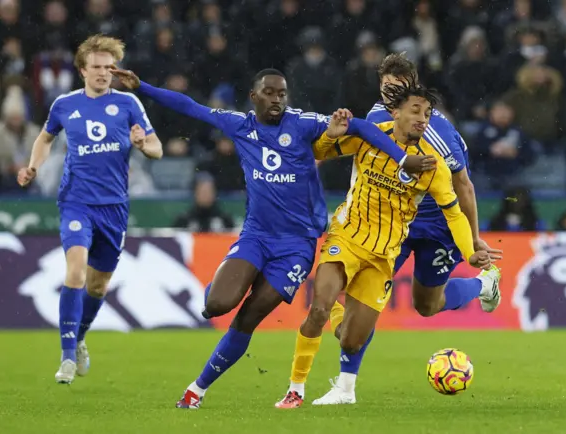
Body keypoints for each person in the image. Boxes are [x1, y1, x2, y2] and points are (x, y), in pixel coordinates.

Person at [109, 65, 432, 409]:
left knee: (250, 316)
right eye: (269, 93)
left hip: (296, 246)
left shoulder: (303, 123)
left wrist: (401, 158)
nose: (277, 99)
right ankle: (223, 290)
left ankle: (196, 390)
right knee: (215, 305)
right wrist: (142, 86)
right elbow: (191, 106)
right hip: (256, 236)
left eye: (282, 93)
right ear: (254, 97)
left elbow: (364, 127)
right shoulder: (240, 125)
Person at [275, 75, 496, 409]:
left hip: (388, 250)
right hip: (347, 238)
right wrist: (329, 136)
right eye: (416, 111)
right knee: (319, 306)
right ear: (395, 112)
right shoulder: (370, 135)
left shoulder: (432, 163)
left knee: (356, 336)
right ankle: (299, 390)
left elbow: (454, 211)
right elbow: (320, 150)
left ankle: (483, 285)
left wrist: (471, 249)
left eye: (427, 113)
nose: (423, 118)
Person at [16, 35, 163, 384]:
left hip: (114, 207)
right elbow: (45, 138)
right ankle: (67, 357)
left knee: (97, 287)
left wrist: (143, 145)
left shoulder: (128, 103)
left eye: (108, 68)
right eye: (96, 67)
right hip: (76, 202)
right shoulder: (65, 105)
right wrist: (34, 166)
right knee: (76, 270)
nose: (102, 74)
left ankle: (79, 338)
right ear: (82, 70)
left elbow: (156, 148)